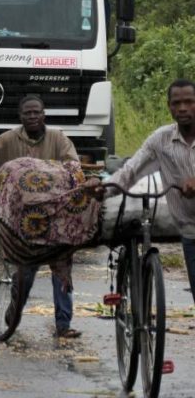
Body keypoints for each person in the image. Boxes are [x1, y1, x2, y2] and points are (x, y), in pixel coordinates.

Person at [0, 95, 82, 338]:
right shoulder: (9, 139)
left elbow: (73, 164)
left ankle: (64, 325)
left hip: (54, 215)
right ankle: (13, 312)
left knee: (61, 266)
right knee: (26, 270)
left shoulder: (58, 138)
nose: (32, 117)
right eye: (27, 113)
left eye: (36, 112)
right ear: (20, 117)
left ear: (44, 115)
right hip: (25, 219)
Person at [87, 78, 195, 303]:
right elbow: (131, 171)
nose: (183, 108)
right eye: (177, 103)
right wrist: (103, 189)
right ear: (169, 107)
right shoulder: (161, 140)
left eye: (189, 102)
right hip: (189, 230)